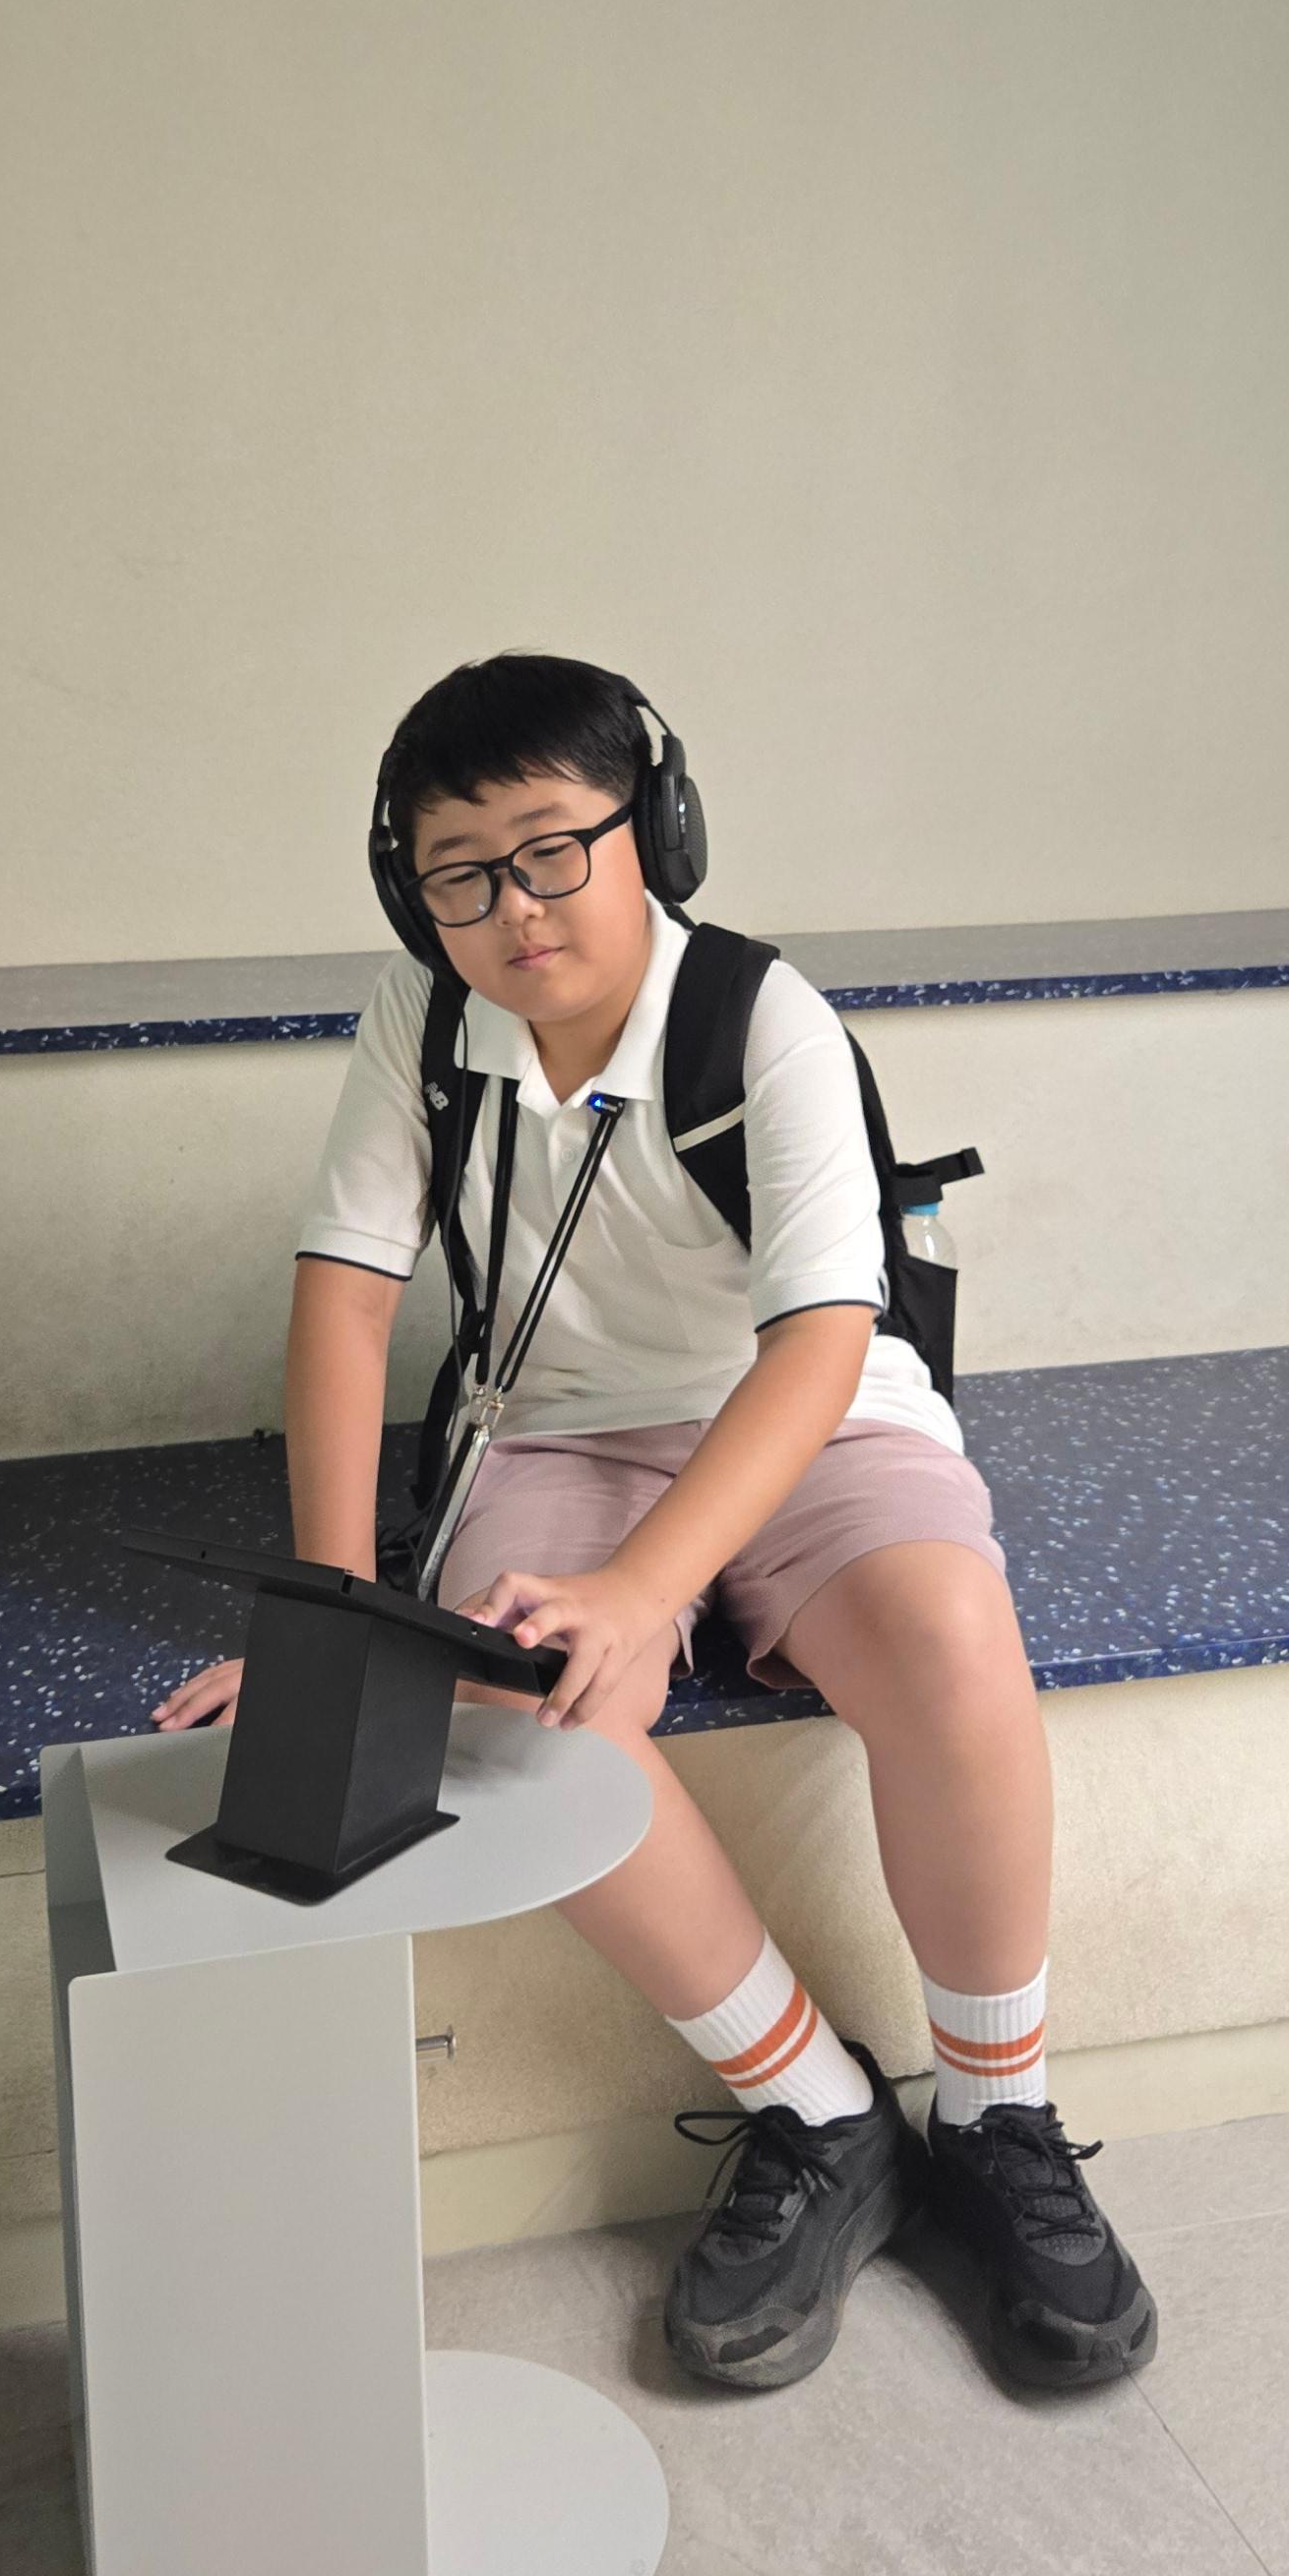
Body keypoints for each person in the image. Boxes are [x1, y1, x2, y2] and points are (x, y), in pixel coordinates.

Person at [157, 651, 1155, 2396]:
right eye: (460, 872)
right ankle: (820, 2111)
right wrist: (331, 1621)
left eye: (554, 847)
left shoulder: (763, 1019)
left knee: (950, 1636)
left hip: (810, 1417)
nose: (514, 908)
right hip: (553, 1428)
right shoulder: (420, 1019)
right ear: (411, 892)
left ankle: (1000, 2114)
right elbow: (345, 1300)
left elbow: (824, 1339)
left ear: (658, 833)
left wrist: (647, 1586)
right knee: (514, 1702)